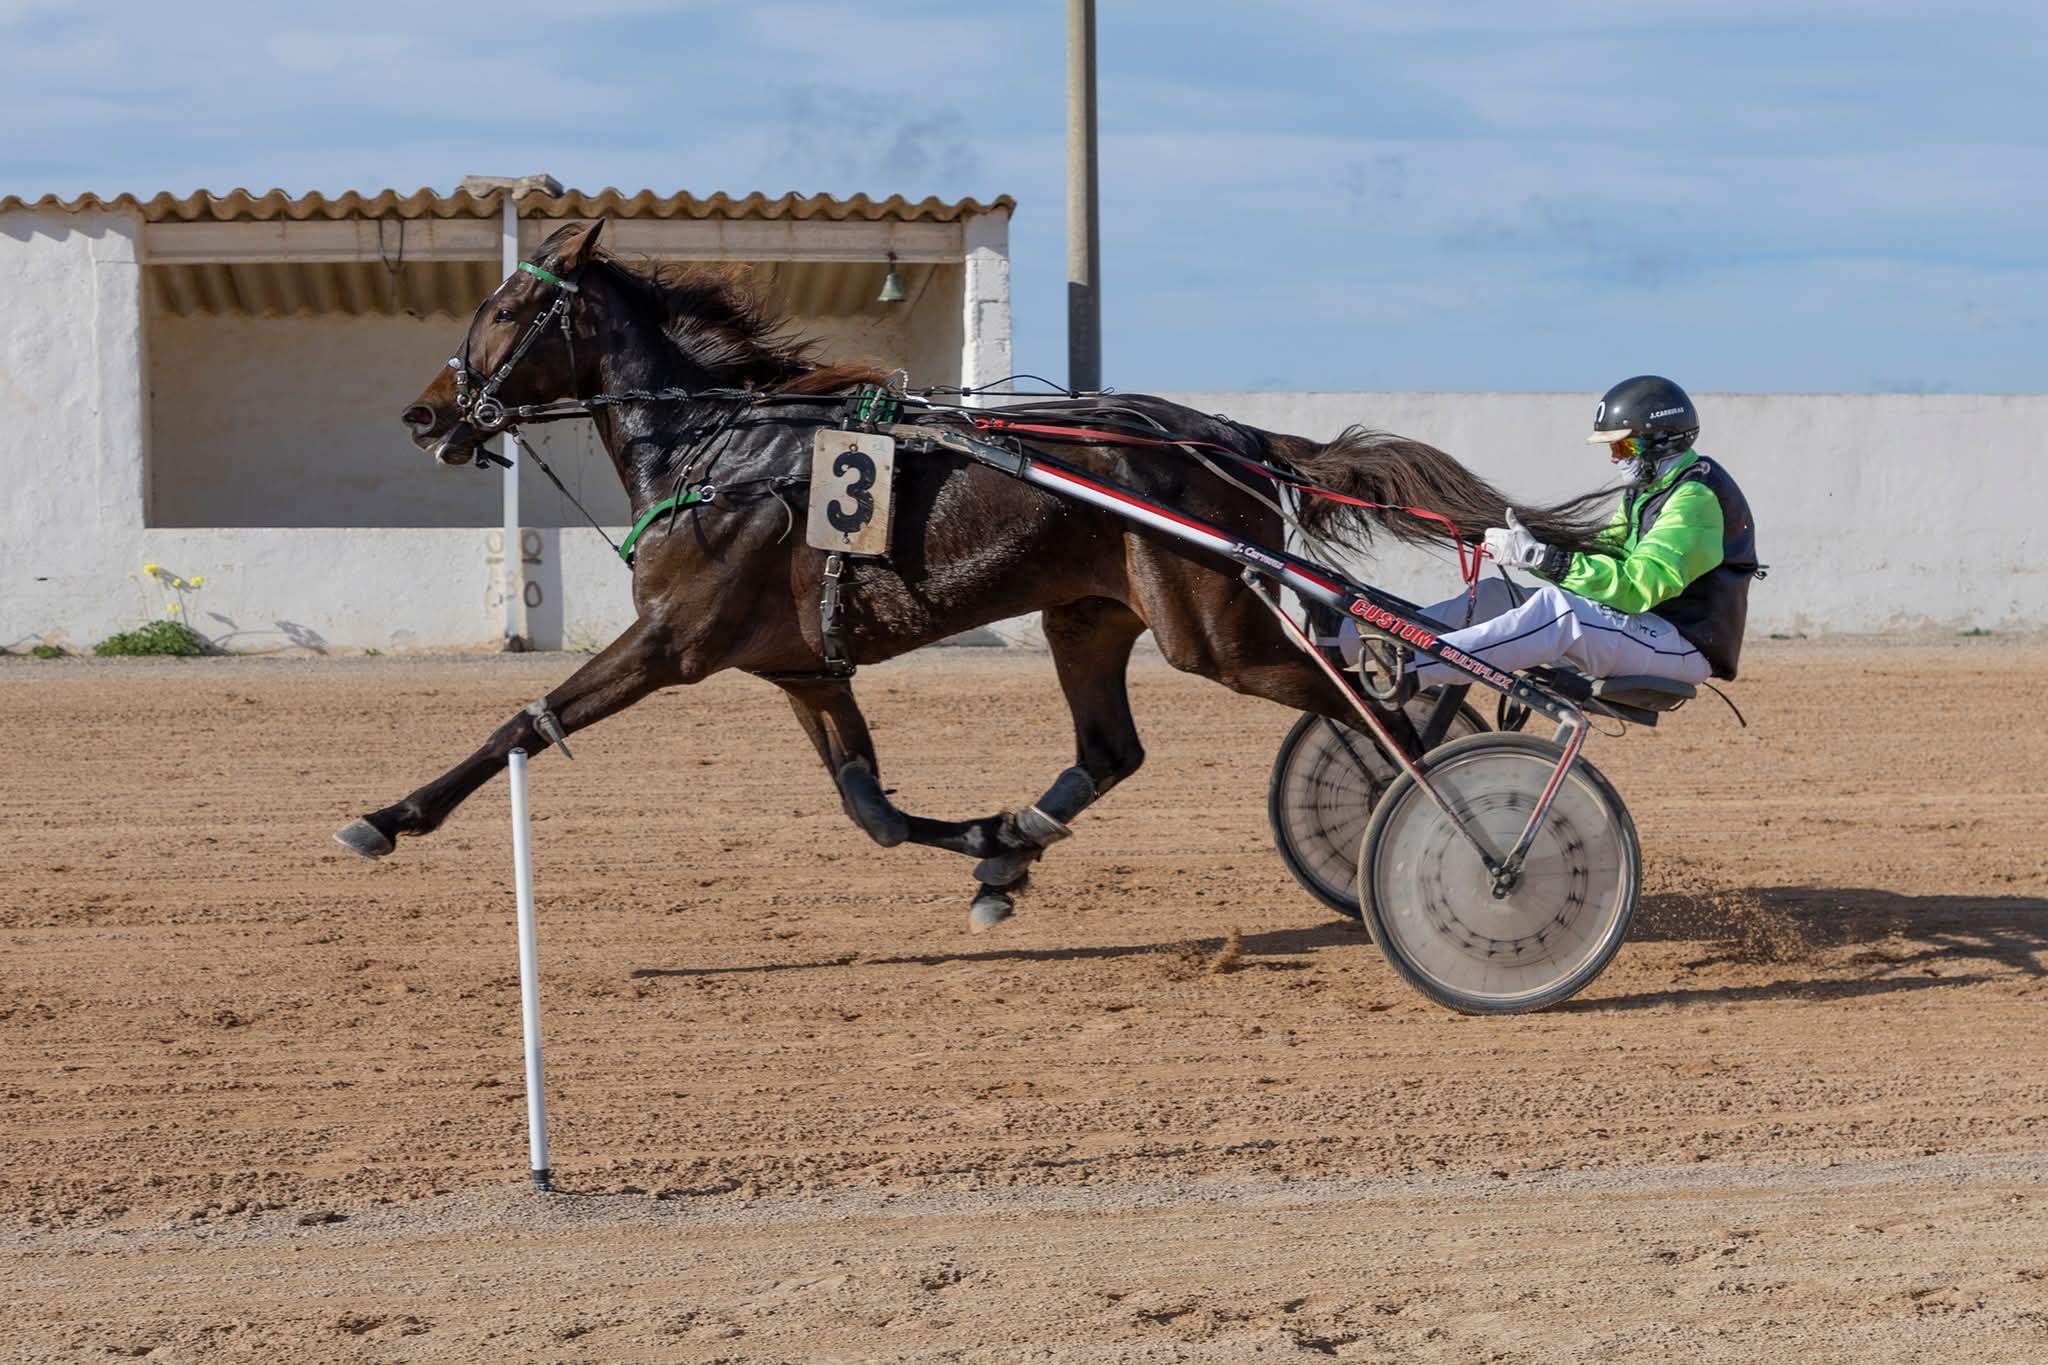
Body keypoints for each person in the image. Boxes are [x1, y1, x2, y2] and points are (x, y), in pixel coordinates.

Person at [1354, 375, 1760, 690]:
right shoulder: (1649, 491)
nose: (1614, 459)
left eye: (1622, 447)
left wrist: (1543, 558)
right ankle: (1356, 643)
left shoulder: (1695, 499)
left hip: (1682, 645)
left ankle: (1413, 669)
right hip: (1646, 630)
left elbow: (1637, 588)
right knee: (1495, 595)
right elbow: (1608, 552)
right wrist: (1534, 549)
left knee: (1559, 612)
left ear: (1661, 441)